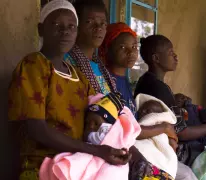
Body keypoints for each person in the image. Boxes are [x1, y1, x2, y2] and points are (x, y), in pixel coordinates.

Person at [8, 1, 130, 179]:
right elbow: (37, 129)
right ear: (41, 30)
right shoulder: (34, 65)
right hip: (43, 163)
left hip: (78, 161)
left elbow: (101, 114)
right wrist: (95, 150)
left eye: (71, 26)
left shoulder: (78, 76)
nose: (65, 31)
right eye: (56, 25)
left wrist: (124, 147)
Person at [64, 1, 175, 179]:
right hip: (90, 144)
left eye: (102, 24)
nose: (98, 28)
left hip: (117, 143)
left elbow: (119, 115)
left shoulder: (99, 68)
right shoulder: (68, 62)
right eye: (90, 22)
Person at [135, 34, 206, 179]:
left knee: (198, 116)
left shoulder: (148, 81)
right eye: (170, 53)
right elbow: (181, 133)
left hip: (167, 138)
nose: (175, 56)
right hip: (173, 145)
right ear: (156, 58)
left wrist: (175, 101)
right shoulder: (157, 87)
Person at [39, 92, 141, 179]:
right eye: (87, 123)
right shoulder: (85, 148)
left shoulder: (116, 152)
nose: (91, 126)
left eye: (96, 123)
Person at [99, 22, 138, 115]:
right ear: (107, 49)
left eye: (134, 46)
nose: (131, 52)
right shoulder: (103, 81)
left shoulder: (123, 79)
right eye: (123, 47)